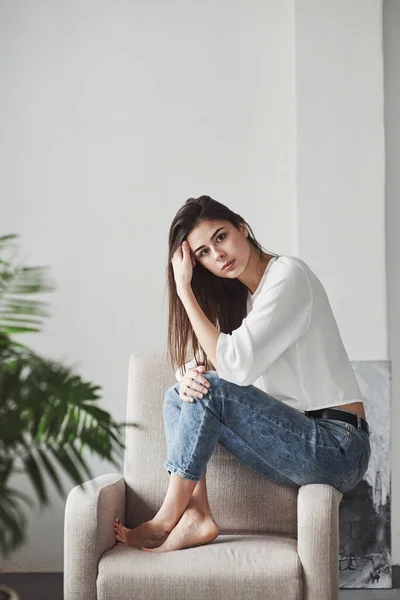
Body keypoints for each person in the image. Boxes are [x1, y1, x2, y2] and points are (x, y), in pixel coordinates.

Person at [113, 194, 371, 553]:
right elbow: (222, 365)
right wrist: (189, 373)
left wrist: (185, 291)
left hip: (338, 445)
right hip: (295, 440)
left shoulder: (287, 276)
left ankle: (167, 516)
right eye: (202, 252)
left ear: (242, 227)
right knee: (179, 395)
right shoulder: (248, 301)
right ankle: (197, 513)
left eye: (220, 237)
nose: (217, 254)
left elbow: (234, 366)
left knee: (210, 389)